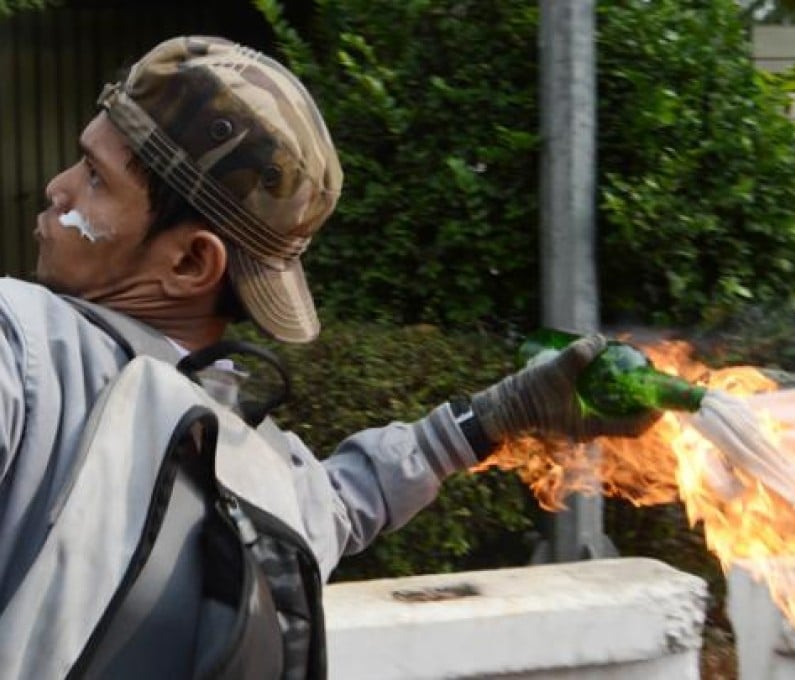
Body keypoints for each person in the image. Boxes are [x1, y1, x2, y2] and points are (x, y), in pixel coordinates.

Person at [0, 35, 646, 613]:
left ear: (192, 262)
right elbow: (334, 508)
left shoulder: (21, 347)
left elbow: (332, 506)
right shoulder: (250, 470)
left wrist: (498, 416)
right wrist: (493, 419)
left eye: (94, 176)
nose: (58, 188)